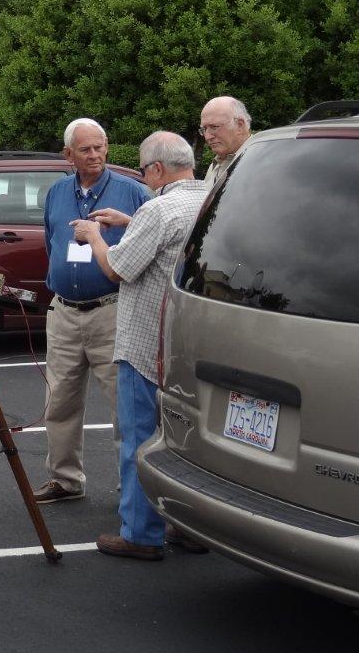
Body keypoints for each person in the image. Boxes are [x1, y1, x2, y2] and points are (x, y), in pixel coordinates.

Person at [70, 131, 210, 560]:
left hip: (148, 342)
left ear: (155, 170)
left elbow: (116, 269)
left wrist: (94, 235)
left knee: (139, 440)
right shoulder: (212, 199)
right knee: (188, 443)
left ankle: (140, 533)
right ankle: (189, 527)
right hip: (194, 343)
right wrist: (130, 224)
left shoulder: (159, 207)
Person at [34, 118, 151, 503]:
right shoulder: (57, 193)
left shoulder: (133, 193)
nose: (95, 155)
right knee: (60, 401)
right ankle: (65, 479)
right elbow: (53, 245)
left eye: (100, 147)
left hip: (112, 311)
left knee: (125, 406)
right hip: (65, 312)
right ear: (68, 154)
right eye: (86, 149)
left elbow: (155, 247)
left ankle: (132, 488)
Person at [200, 96, 252, 186]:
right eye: (204, 129)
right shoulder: (217, 163)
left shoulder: (262, 160)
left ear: (239, 125)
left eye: (214, 127)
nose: (207, 137)